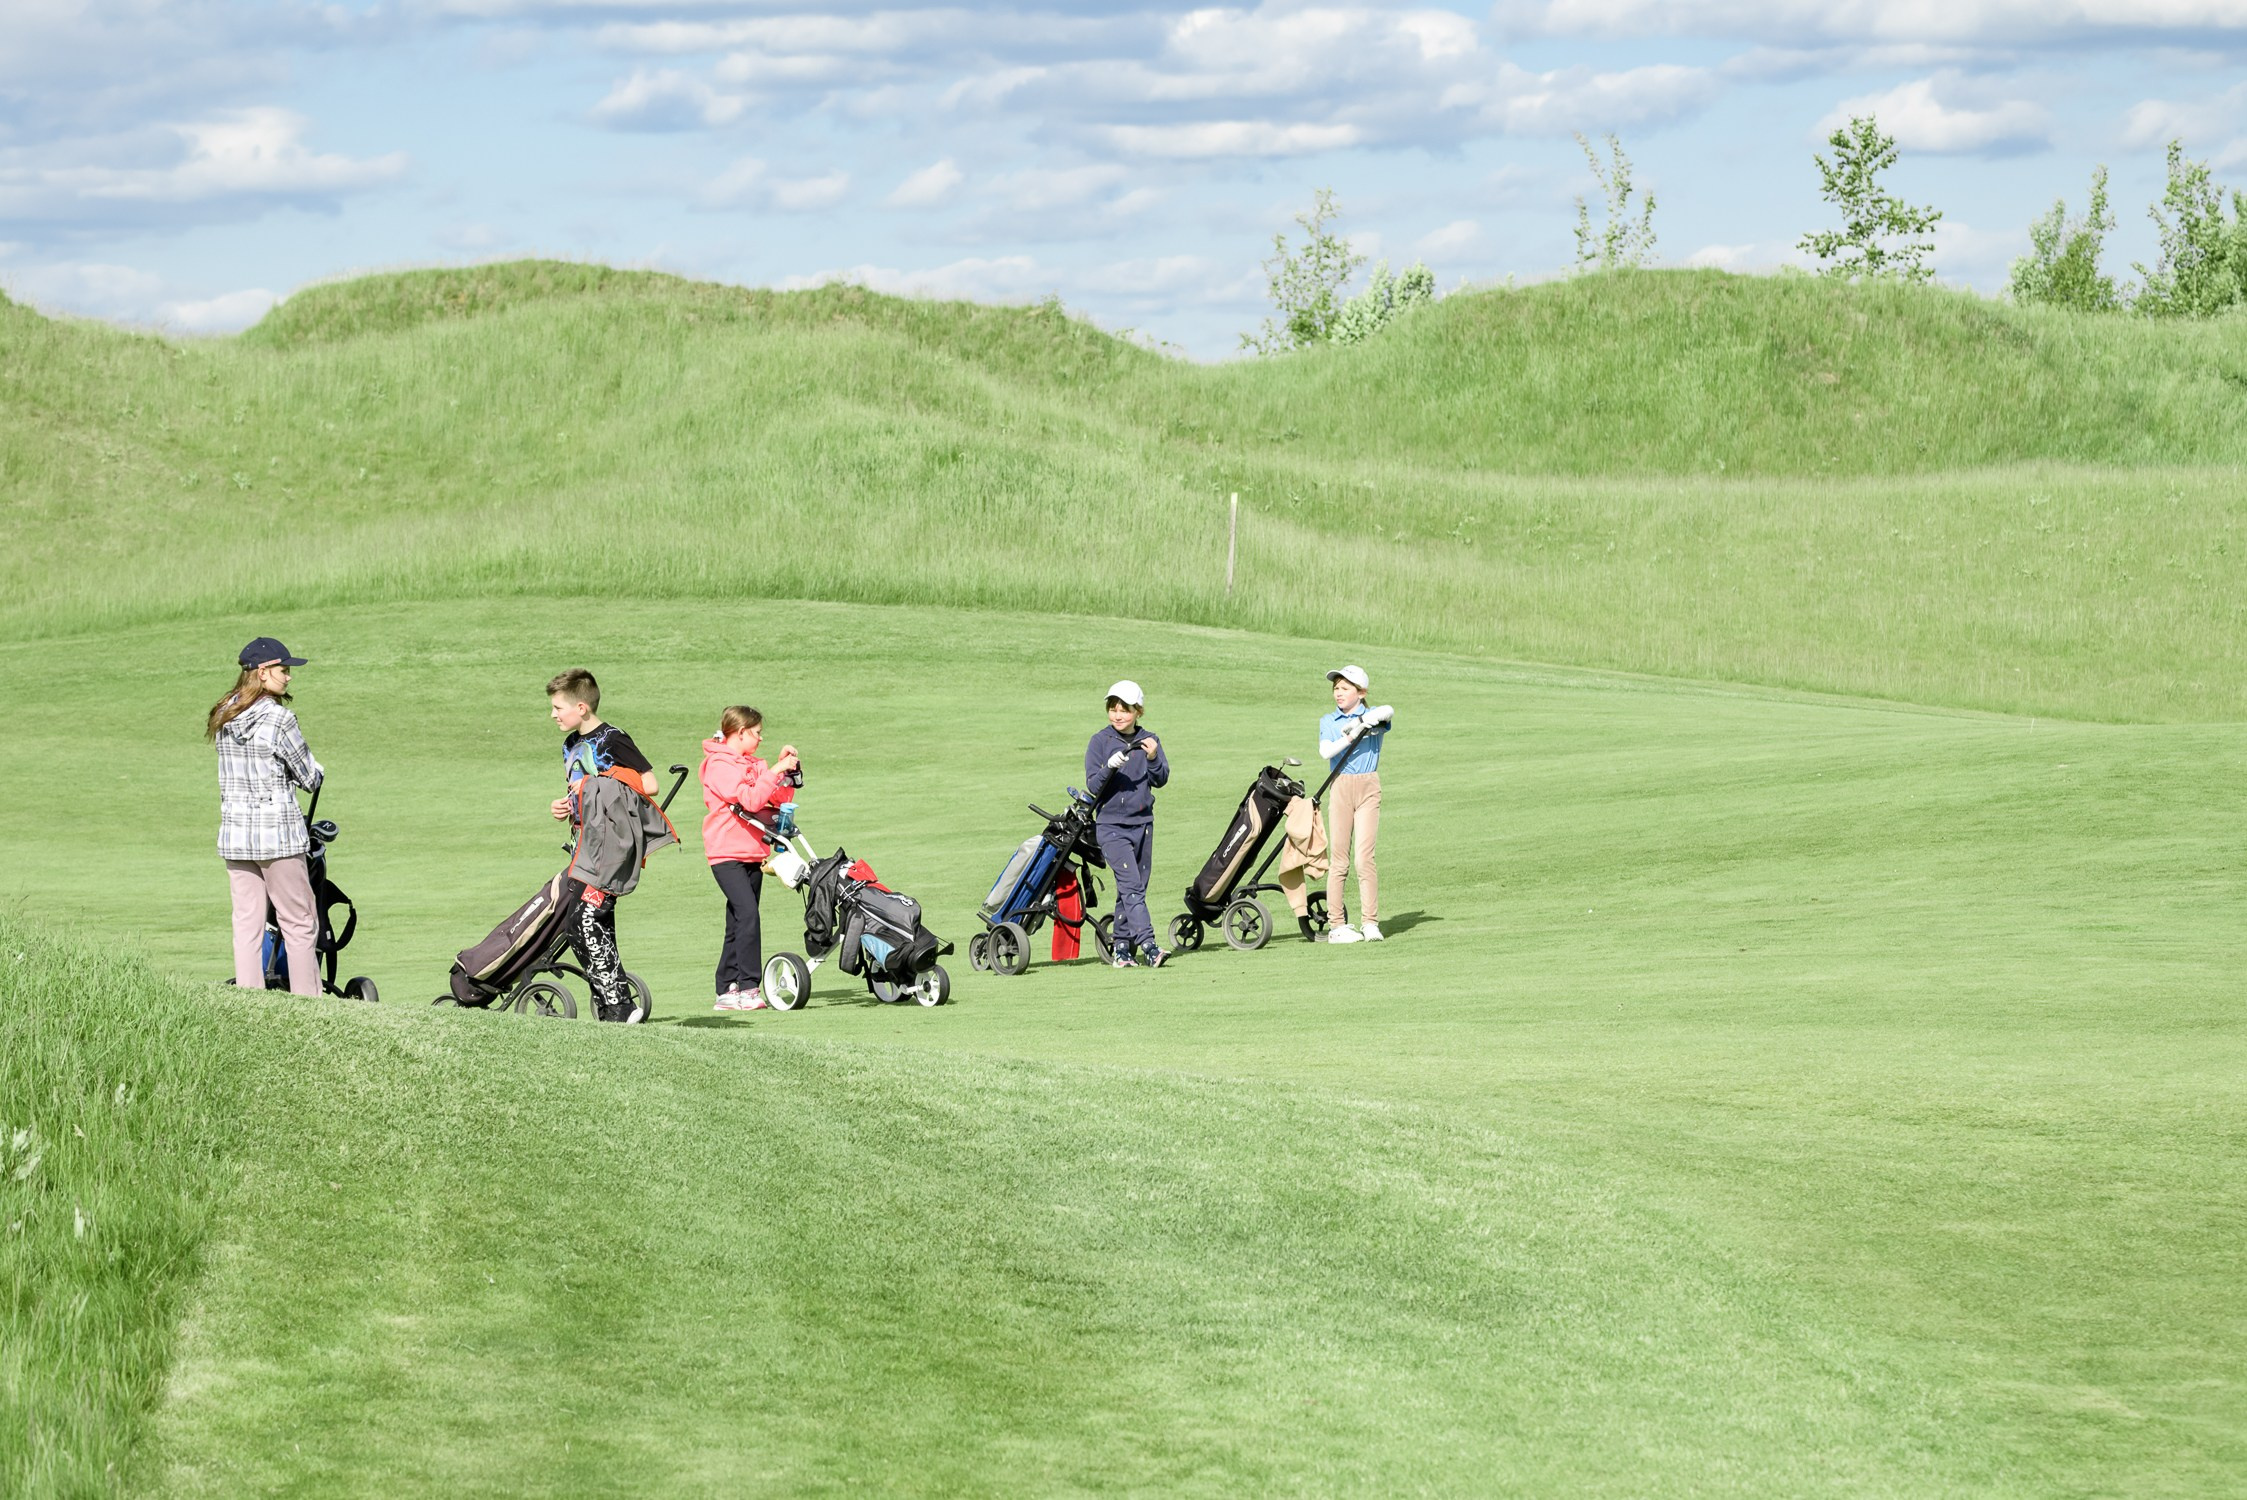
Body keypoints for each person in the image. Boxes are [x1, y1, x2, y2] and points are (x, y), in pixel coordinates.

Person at [548, 668, 674, 1022]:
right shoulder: (570, 745)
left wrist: (594, 783)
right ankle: (611, 1004)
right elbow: (580, 793)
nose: (553, 714)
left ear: (582, 707)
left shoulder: (613, 739)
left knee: (583, 922)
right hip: (583, 847)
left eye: (558, 707)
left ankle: (619, 1006)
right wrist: (564, 806)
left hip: (610, 849)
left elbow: (650, 784)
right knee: (591, 923)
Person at [209, 637, 324, 996]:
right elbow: (309, 777)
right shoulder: (279, 718)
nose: (289, 677)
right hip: (278, 838)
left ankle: (250, 999)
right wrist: (316, 770)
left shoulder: (224, 714)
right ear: (262, 673)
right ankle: (309, 1002)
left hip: (236, 836)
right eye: (283, 670)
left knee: (247, 923)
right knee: (299, 922)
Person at [699, 706, 799, 1011]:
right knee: (748, 915)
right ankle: (748, 988)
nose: (760, 738)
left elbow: (777, 800)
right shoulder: (718, 765)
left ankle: (725, 989)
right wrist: (775, 770)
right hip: (725, 853)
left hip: (753, 852)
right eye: (756, 733)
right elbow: (751, 800)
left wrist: (786, 773)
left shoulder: (756, 764)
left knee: (738, 920)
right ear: (741, 732)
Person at [1084, 679, 1171, 968]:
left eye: (1124, 710)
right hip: (1111, 827)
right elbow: (1093, 786)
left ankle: (1121, 949)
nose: (1118, 715)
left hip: (1143, 824)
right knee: (1132, 886)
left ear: (1138, 712)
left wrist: (1153, 757)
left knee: (1133, 888)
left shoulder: (1150, 739)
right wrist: (1109, 767)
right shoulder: (1100, 742)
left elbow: (1161, 779)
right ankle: (1149, 946)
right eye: (1113, 709)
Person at [1318, 665, 1395, 945]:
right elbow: (1326, 751)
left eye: (1345, 688)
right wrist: (1351, 734)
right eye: (1336, 688)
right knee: (1339, 860)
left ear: (1360, 693)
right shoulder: (1329, 720)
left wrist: (1363, 721)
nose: (1338, 693)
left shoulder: (1373, 717)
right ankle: (1336, 926)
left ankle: (1370, 923)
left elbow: (1388, 711)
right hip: (1340, 785)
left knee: (1365, 858)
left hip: (1368, 786)